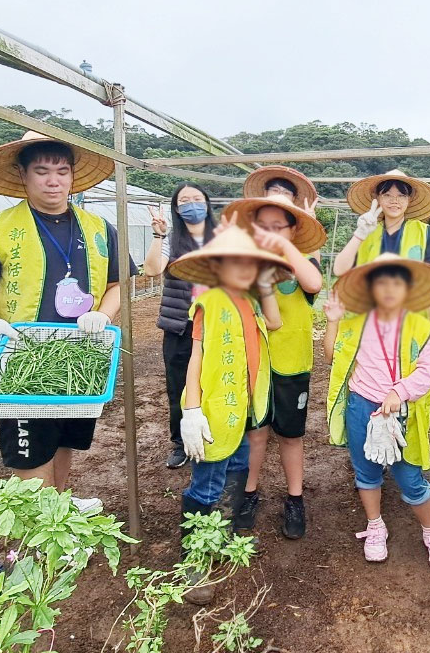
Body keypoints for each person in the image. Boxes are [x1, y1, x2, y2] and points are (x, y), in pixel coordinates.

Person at [0, 131, 133, 510]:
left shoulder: (100, 229)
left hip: (81, 355)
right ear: (23, 175)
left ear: (72, 176)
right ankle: (39, 541)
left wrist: (102, 314)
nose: (53, 181)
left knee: (63, 439)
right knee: (31, 452)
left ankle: (58, 511)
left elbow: (119, 283)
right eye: (42, 171)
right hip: (24, 357)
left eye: (62, 171)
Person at [168, 224, 289, 604]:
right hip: (215, 412)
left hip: (243, 411)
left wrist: (267, 284)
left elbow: (276, 322)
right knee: (206, 480)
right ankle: (194, 558)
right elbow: (197, 357)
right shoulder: (212, 302)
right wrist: (191, 408)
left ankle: (218, 533)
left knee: (236, 469)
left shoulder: (250, 302)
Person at [323, 254, 430, 570]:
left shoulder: (422, 328)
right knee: (366, 471)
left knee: (409, 476)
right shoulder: (355, 324)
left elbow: (429, 369)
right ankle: (375, 525)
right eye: (381, 281)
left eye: (397, 281)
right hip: (362, 406)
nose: (389, 289)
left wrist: (399, 391)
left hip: (402, 410)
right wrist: (333, 320)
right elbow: (331, 357)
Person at [219, 193, 326, 539]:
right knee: (256, 433)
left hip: (292, 363)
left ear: (294, 230)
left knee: (291, 436)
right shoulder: (246, 262)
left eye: (279, 226)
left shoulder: (304, 261)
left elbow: (313, 284)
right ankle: (248, 494)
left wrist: (284, 244)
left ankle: (295, 499)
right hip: (254, 361)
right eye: (263, 227)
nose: (269, 233)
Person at [143, 183, 216, 470]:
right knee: (179, 387)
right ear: (176, 208)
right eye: (184, 201)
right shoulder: (172, 240)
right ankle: (180, 443)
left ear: (207, 204)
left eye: (197, 199)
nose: (191, 204)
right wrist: (158, 234)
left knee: (216, 381)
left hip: (215, 326)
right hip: (180, 326)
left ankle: (217, 433)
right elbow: (151, 269)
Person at [331, 169, 430, 276]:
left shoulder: (425, 232)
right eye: (387, 195)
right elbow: (339, 270)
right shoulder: (366, 230)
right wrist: (359, 235)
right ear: (378, 198)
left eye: (401, 195)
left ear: (409, 199)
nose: (394, 201)